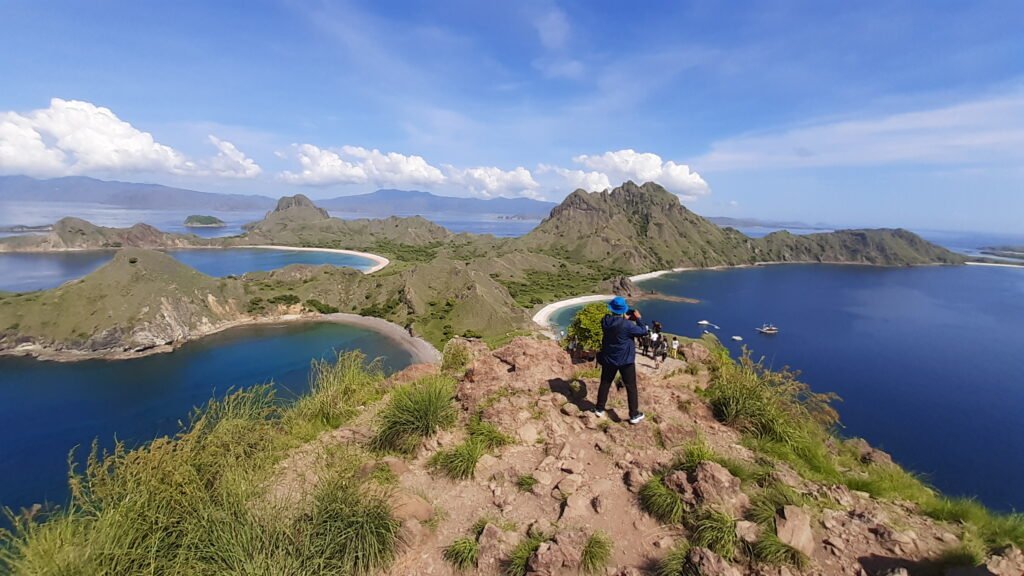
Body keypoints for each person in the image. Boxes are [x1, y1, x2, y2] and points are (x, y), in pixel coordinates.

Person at [593, 296, 648, 424]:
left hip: (609, 359)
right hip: (626, 361)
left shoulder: (605, 321)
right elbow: (643, 331)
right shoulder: (628, 325)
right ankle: (634, 414)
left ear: (611, 309)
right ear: (623, 310)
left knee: (605, 383)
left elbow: (616, 324)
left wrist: (624, 318)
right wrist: (638, 318)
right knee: (631, 387)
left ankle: (599, 408)